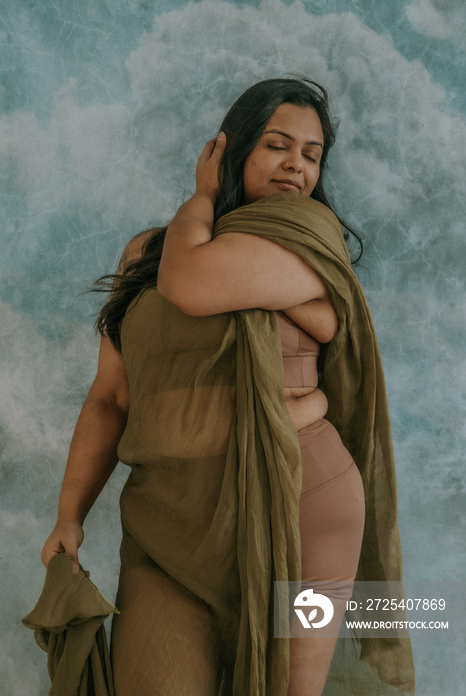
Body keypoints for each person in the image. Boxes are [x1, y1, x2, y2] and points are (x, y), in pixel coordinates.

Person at [41, 77, 414, 696]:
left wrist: (202, 195)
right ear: (232, 146)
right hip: (167, 520)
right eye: (277, 144)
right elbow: (112, 394)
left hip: (302, 504)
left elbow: (191, 284)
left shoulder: (308, 239)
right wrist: (68, 515)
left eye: (313, 154)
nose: (297, 163)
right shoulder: (150, 252)